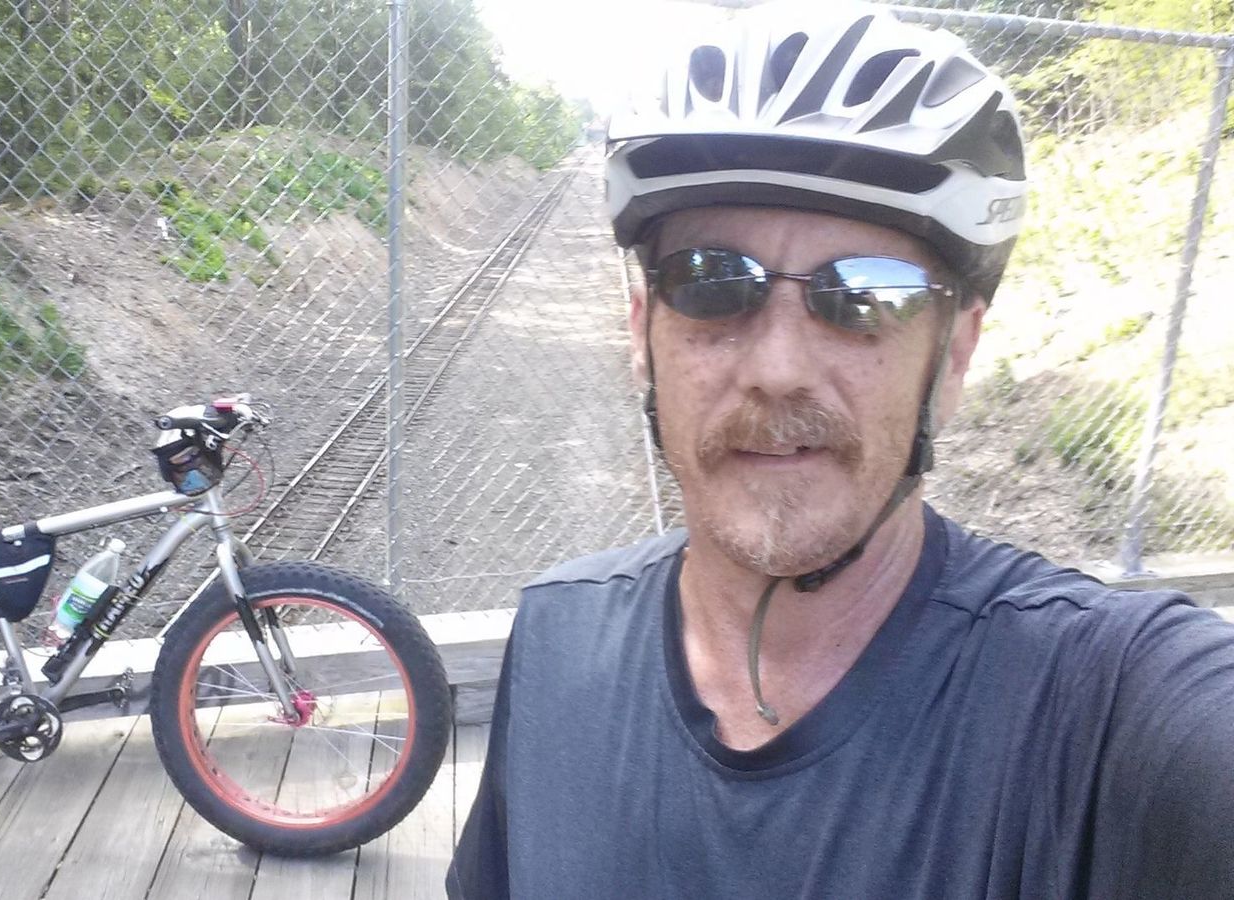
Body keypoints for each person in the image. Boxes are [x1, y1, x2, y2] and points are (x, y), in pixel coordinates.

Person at [447, 3, 1234, 898]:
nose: (778, 371)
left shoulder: (1103, 706)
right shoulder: (555, 640)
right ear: (643, 332)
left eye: (866, 293)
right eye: (711, 281)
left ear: (953, 357)